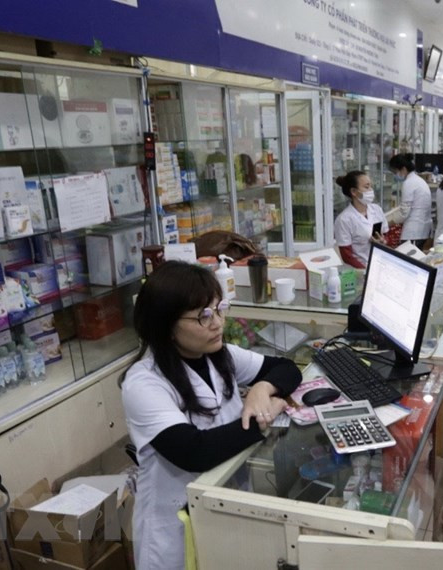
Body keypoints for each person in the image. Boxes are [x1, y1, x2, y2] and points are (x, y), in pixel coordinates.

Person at [121, 262, 302, 570]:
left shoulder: (219, 355)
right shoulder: (143, 383)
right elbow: (196, 451)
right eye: (203, 316)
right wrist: (262, 417)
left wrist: (261, 388)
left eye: (219, 309)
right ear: (165, 324)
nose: (217, 323)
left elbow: (287, 368)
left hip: (226, 509)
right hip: (175, 530)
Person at [334, 170, 388, 268]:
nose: (371, 190)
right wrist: (365, 270)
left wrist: (383, 241)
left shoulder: (376, 209)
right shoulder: (344, 219)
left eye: (371, 186)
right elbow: (347, 256)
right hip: (359, 270)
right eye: (367, 187)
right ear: (354, 191)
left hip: (379, 265)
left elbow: (385, 234)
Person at [389, 154, 432, 249]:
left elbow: (404, 213)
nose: (395, 175)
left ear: (403, 169)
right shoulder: (418, 181)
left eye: (396, 171)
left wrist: (388, 222)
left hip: (413, 232)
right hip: (421, 230)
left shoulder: (409, 183)